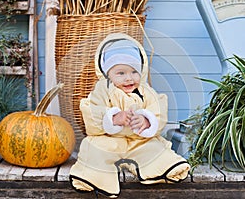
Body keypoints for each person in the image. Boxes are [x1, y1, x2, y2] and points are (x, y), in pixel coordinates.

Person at [70, 33, 190, 198]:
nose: (129, 78)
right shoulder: (102, 89)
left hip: (139, 140)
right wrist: (112, 118)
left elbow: (158, 111)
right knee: (93, 148)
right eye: (121, 73)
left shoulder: (146, 91)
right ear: (107, 74)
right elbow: (92, 110)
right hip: (109, 139)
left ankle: (165, 168)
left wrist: (146, 121)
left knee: (154, 148)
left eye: (134, 71)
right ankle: (93, 178)